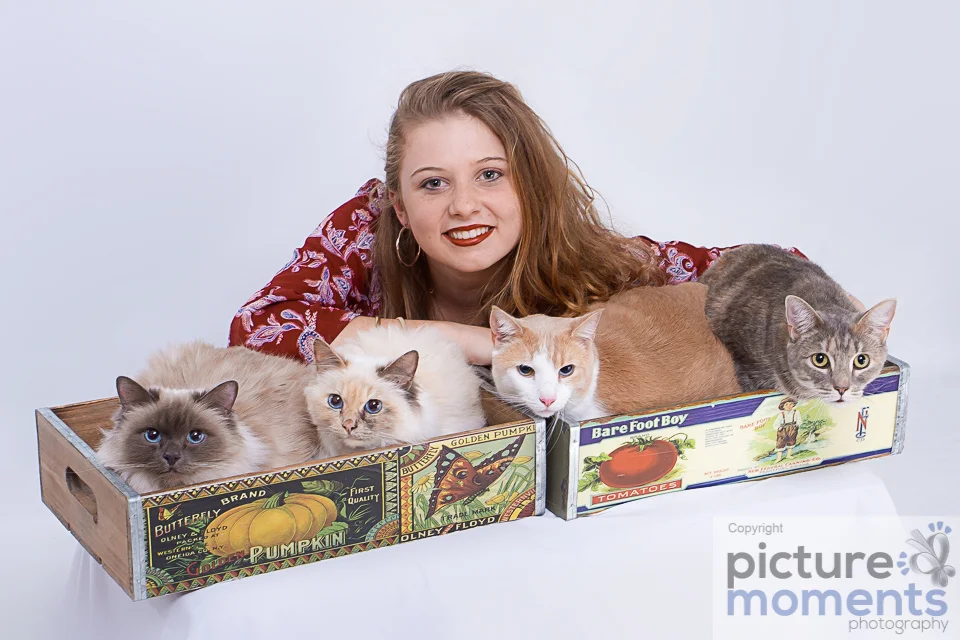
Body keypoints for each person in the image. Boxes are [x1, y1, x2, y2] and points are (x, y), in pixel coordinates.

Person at [228, 71, 804, 366]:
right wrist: (479, 343)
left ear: (528, 185)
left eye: (490, 174)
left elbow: (777, 271)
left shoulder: (587, 255)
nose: (463, 206)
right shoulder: (363, 230)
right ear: (399, 205)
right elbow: (258, 326)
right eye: (433, 183)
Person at [774, 398, 802, 462]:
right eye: (786, 404)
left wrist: (797, 425)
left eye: (791, 404)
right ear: (783, 406)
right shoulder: (781, 414)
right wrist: (778, 428)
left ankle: (788, 455)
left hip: (793, 428)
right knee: (780, 442)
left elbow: (799, 419)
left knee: (791, 441)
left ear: (793, 405)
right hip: (783, 429)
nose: (789, 406)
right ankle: (779, 457)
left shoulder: (796, 412)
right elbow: (776, 423)